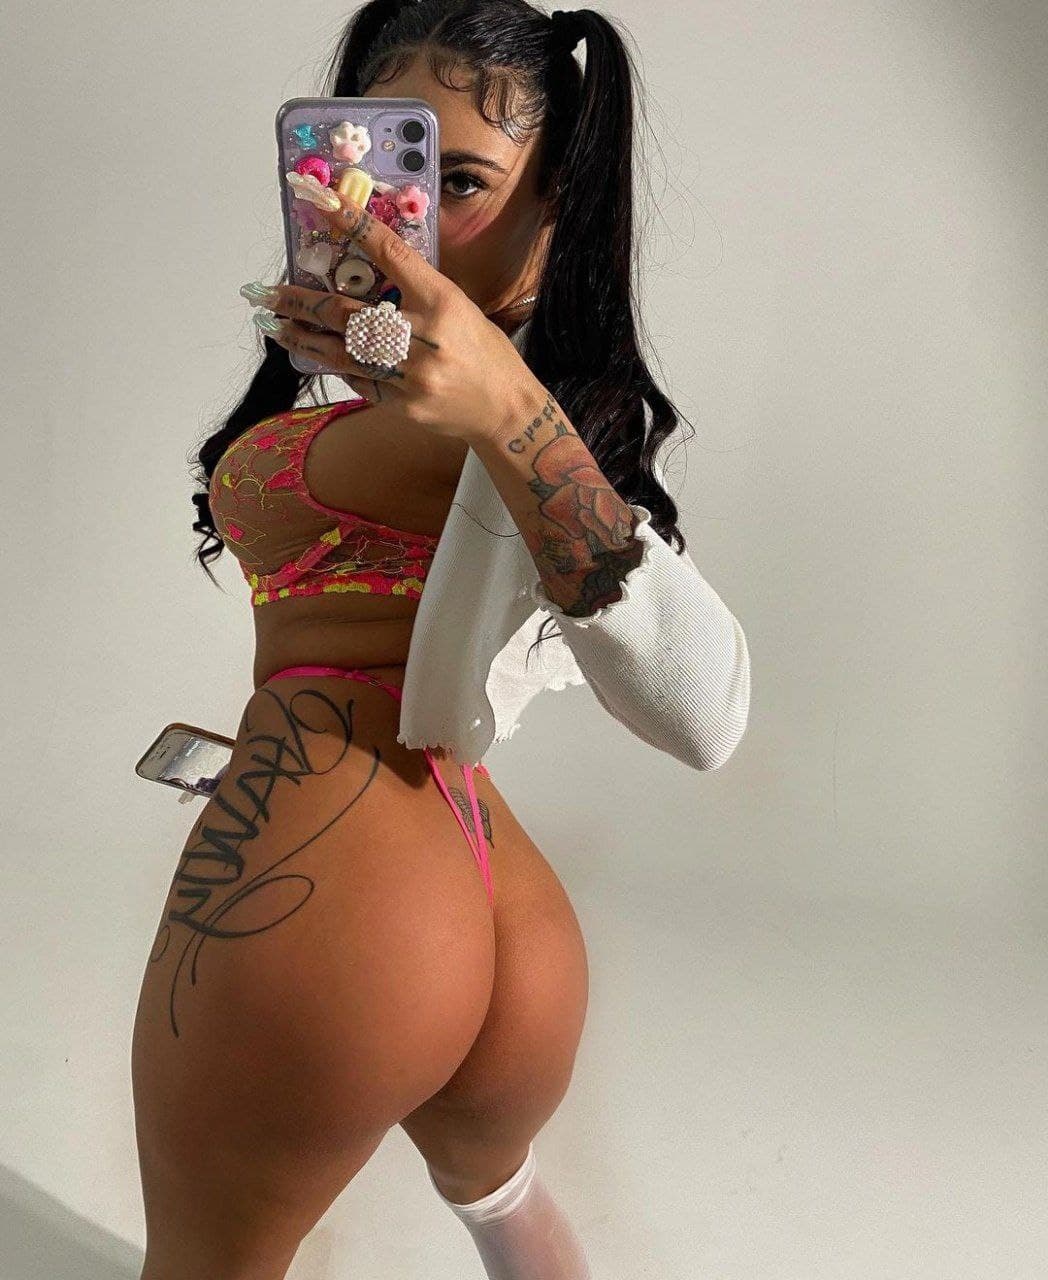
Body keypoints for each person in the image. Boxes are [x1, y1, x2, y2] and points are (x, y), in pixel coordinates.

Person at [131, 3, 751, 1278]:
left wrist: (510, 404)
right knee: (501, 1202)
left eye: (457, 179)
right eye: (363, 165)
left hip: (340, 896)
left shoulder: (521, 418)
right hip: (484, 897)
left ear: (559, 197)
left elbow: (707, 709)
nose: (390, 211)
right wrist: (389, 352)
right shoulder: (439, 399)